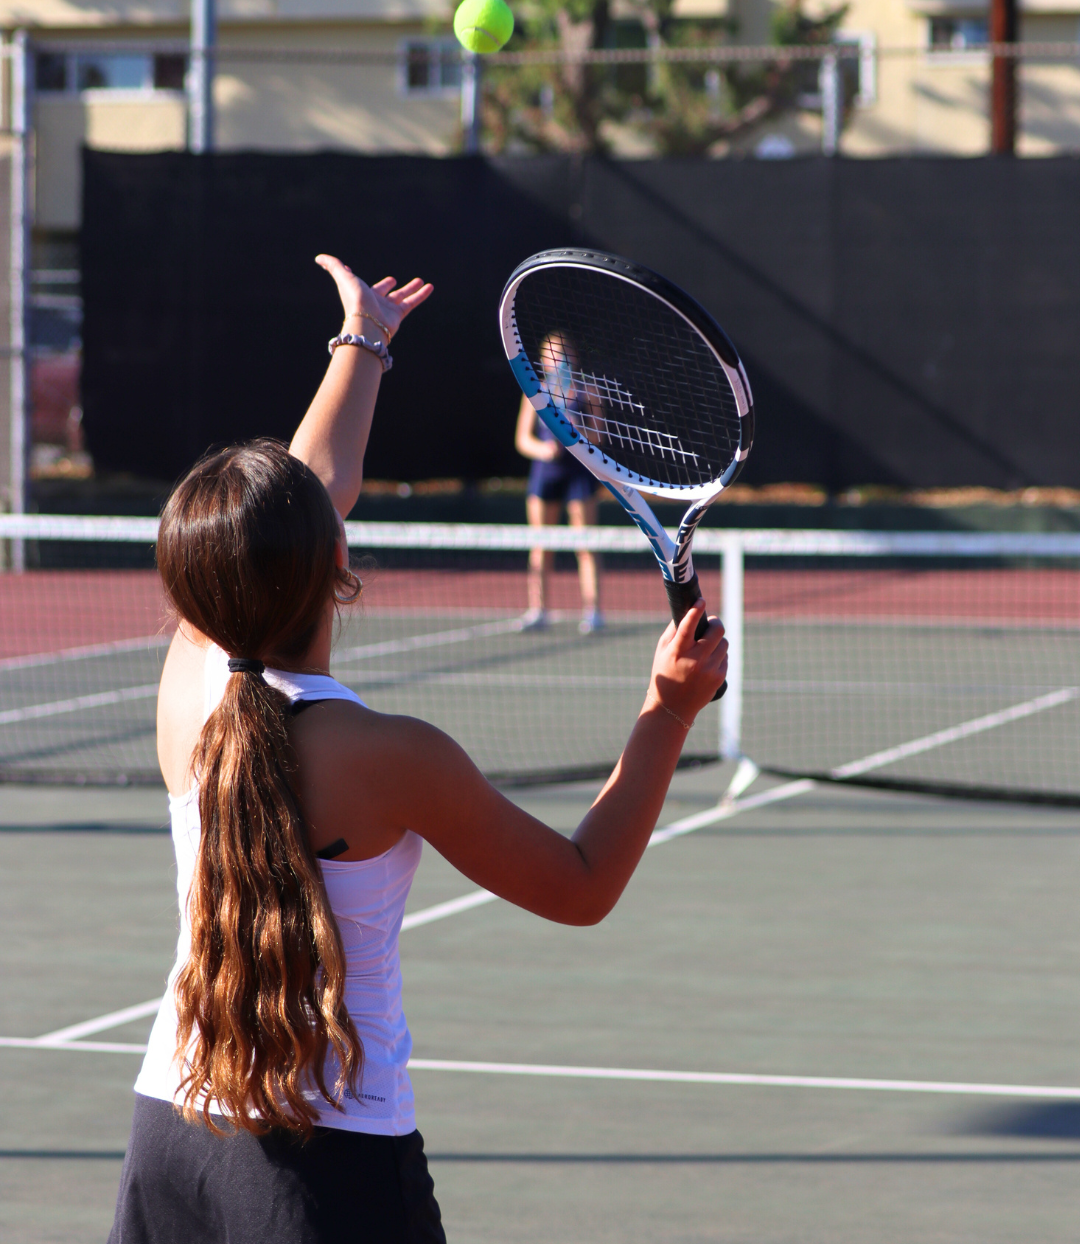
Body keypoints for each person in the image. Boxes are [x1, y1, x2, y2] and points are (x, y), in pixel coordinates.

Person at [108, 255, 728, 1244]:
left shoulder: (187, 683)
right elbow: (579, 887)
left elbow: (310, 490)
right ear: (336, 559)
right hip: (328, 1171)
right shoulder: (392, 756)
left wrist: (361, 341)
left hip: (170, 1136)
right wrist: (668, 712)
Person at [514, 332, 603, 633]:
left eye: (563, 353)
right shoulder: (535, 391)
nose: (558, 360)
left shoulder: (588, 390)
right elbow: (523, 440)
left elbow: (599, 436)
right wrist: (544, 450)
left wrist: (578, 434)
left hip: (579, 474)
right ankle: (538, 610)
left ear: (573, 356)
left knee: (585, 544)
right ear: (543, 360)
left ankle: (593, 612)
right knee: (542, 545)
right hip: (545, 476)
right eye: (552, 354)